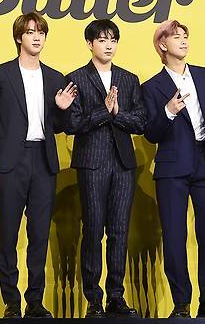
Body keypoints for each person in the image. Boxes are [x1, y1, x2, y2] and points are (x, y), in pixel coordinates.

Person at [0, 11, 77, 318]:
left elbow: (63, 125)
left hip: (44, 161)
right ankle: (11, 302)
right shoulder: (0, 75)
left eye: (41, 33)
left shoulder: (56, 77)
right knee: (8, 234)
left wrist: (62, 109)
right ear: (18, 37)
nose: (37, 37)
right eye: (31, 32)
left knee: (39, 235)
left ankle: (35, 301)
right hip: (11, 160)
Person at [141, 20, 205, 318]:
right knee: (174, 235)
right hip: (173, 166)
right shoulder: (152, 87)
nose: (183, 41)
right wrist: (168, 111)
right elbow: (150, 133)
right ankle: (181, 303)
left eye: (185, 36)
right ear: (162, 45)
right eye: (176, 37)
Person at [65, 19, 146, 318]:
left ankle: (115, 296)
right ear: (90, 44)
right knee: (92, 230)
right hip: (92, 163)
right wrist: (103, 112)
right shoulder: (76, 78)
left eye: (113, 40)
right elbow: (72, 123)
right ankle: (93, 299)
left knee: (119, 231)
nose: (108, 45)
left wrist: (118, 113)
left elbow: (141, 121)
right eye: (102, 40)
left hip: (123, 164)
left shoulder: (128, 79)